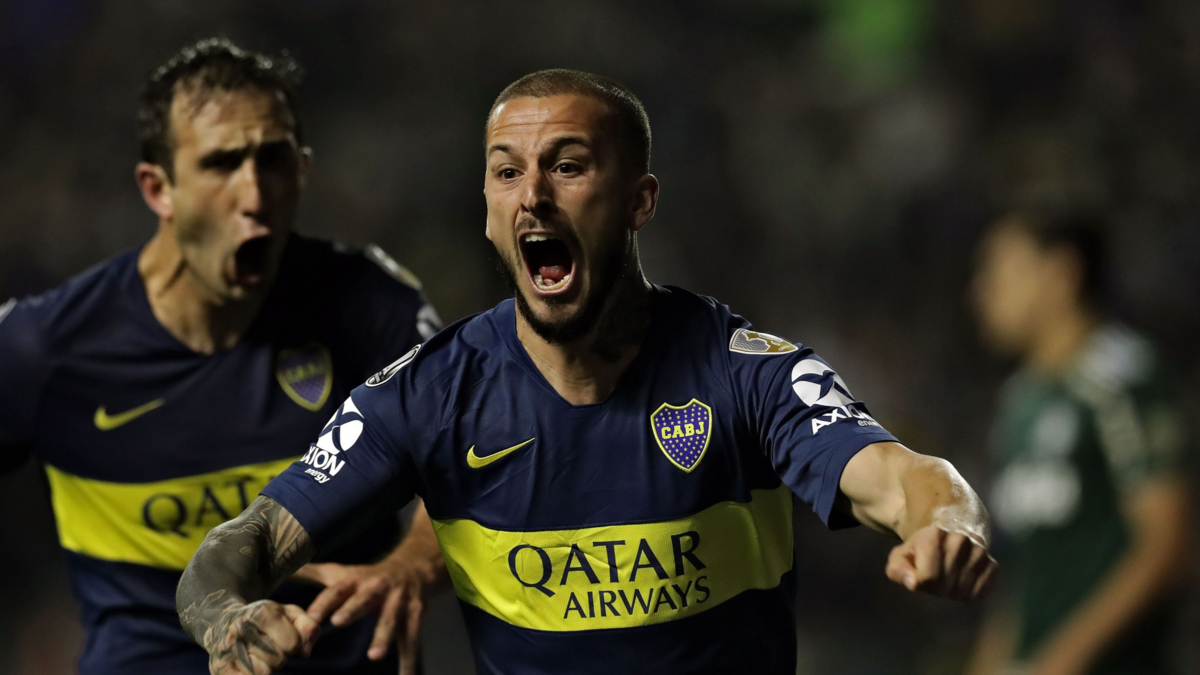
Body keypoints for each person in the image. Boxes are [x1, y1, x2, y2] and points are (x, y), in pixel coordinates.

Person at [177, 69, 999, 675]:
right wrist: (225, 617)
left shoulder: (744, 371)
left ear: (640, 200)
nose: (533, 194)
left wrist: (946, 526)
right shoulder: (424, 393)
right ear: (489, 211)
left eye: (567, 166)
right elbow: (242, 544)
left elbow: (906, 477)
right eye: (508, 171)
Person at [0, 39, 446, 675]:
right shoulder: (44, 349)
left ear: (302, 170)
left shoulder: (374, 308)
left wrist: (409, 565)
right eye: (221, 164)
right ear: (159, 189)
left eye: (273, 159)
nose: (254, 194)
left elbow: (468, 459)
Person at [967, 212, 1192, 675]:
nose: (982, 291)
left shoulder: (1123, 381)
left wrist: (1068, 657)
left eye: (1001, 271)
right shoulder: (1018, 401)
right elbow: (1026, 570)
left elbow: (1167, 543)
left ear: (1060, 274)